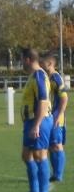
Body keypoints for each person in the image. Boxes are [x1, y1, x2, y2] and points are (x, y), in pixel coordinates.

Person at [20, 47, 53, 192]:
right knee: (26, 155)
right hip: (31, 121)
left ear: (28, 60)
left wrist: (37, 124)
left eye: (22, 59)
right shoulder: (33, 76)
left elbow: (43, 101)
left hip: (39, 120)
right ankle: (34, 191)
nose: (21, 63)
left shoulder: (39, 76)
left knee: (39, 155)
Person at [42, 50, 68, 182]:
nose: (41, 65)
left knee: (57, 145)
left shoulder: (56, 78)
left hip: (57, 117)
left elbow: (64, 98)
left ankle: (58, 174)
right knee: (52, 146)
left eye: (43, 63)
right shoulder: (48, 78)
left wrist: (59, 115)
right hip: (50, 116)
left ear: (50, 64)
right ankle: (55, 174)